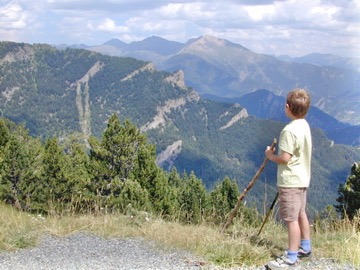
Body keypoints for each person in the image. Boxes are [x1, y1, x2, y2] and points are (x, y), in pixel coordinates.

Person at [265, 88, 312, 269]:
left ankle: (291, 257)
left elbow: (285, 158)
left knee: (291, 219)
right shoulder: (305, 125)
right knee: (301, 213)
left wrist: (270, 156)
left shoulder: (289, 131)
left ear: (287, 107)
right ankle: (305, 247)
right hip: (303, 178)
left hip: (290, 181)